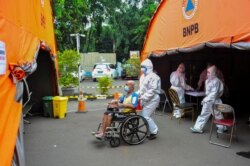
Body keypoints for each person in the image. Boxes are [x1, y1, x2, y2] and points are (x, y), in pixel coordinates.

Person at [190, 65, 227, 133]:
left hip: (215, 101)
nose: (207, 74)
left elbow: (214, 94)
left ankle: (222, 128)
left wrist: (205, 99)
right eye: (207, 72)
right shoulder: (207, 81)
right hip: (208, 101)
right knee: (203, 114)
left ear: (214, 73)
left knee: (217, 115)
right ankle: (198, 127)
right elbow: (208, 92)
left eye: (209, 72)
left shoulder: (216, 81)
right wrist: (206, 99)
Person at [139, 59, 161, 140]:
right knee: (149, 116)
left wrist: (143, 97)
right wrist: (138, 94)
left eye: (143, 67)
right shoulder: (143, 76)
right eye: (141, 67)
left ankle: (154, 131)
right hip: (146, 98)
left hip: (153, 98)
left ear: (148, 67)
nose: (141, 69)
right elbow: (142, 88)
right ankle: (150, 132)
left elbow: (152, 90)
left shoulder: (154, 77)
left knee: (145, 116)